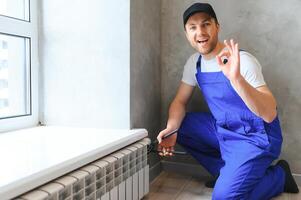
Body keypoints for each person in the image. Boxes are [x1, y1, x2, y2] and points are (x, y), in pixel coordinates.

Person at [157, 2, 299, 199]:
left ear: (217, 27)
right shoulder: (194, 63)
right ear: (186, 33)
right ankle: (226, 174)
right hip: (224, 129)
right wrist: (171, 129)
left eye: (206, 24)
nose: (200, 32)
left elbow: (269, 113)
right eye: (193, 27)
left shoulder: (243, 61)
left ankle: (279, 176)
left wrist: (236, 79)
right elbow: (179, 102)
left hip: (255, 136)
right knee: (181, 125)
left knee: (224, 198)